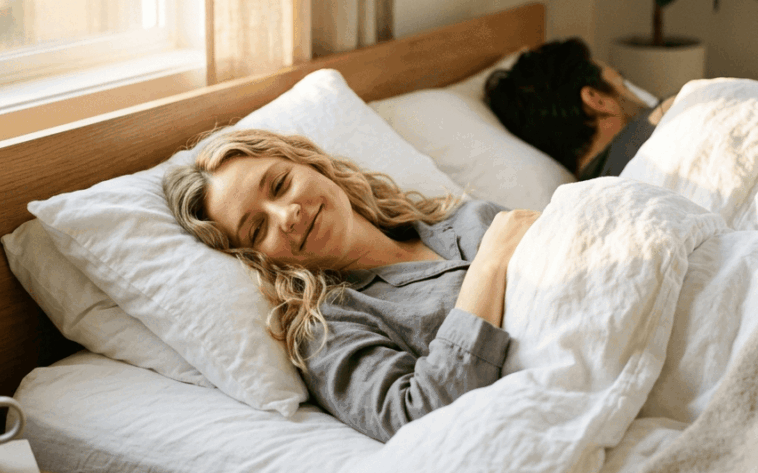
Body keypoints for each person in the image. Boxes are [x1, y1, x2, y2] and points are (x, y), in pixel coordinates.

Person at [163, 128, 538, 442]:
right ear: (254, 259)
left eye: (280, 184)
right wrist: (487, 270)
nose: (286, 214)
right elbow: (417, 419)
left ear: (311, 163)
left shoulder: (471, 218)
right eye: (258, 228)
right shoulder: (331, 329)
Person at [483, 39, 674, 178]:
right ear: (596, 100)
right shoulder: (664, 117)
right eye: (621, 81)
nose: (637, 95)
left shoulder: (591, 193)